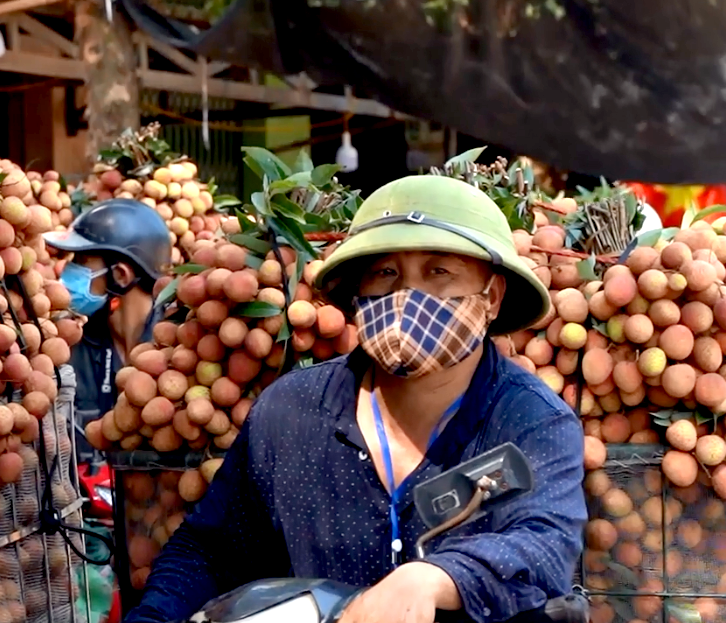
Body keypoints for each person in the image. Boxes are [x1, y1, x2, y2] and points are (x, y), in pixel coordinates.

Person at [125, 176, 586, 623]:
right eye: (385, 272)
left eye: (439, 270)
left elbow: (543, 543)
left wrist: (433, 578)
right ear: (357, 294)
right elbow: (211, 549)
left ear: (492, 296)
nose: (407, 295)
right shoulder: (290, 412)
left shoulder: (529, 420)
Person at [43, 199, 172, 449]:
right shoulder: (72, 344)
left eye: (81, 261)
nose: (67, 271)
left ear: (121, 275)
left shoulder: (175, 349)